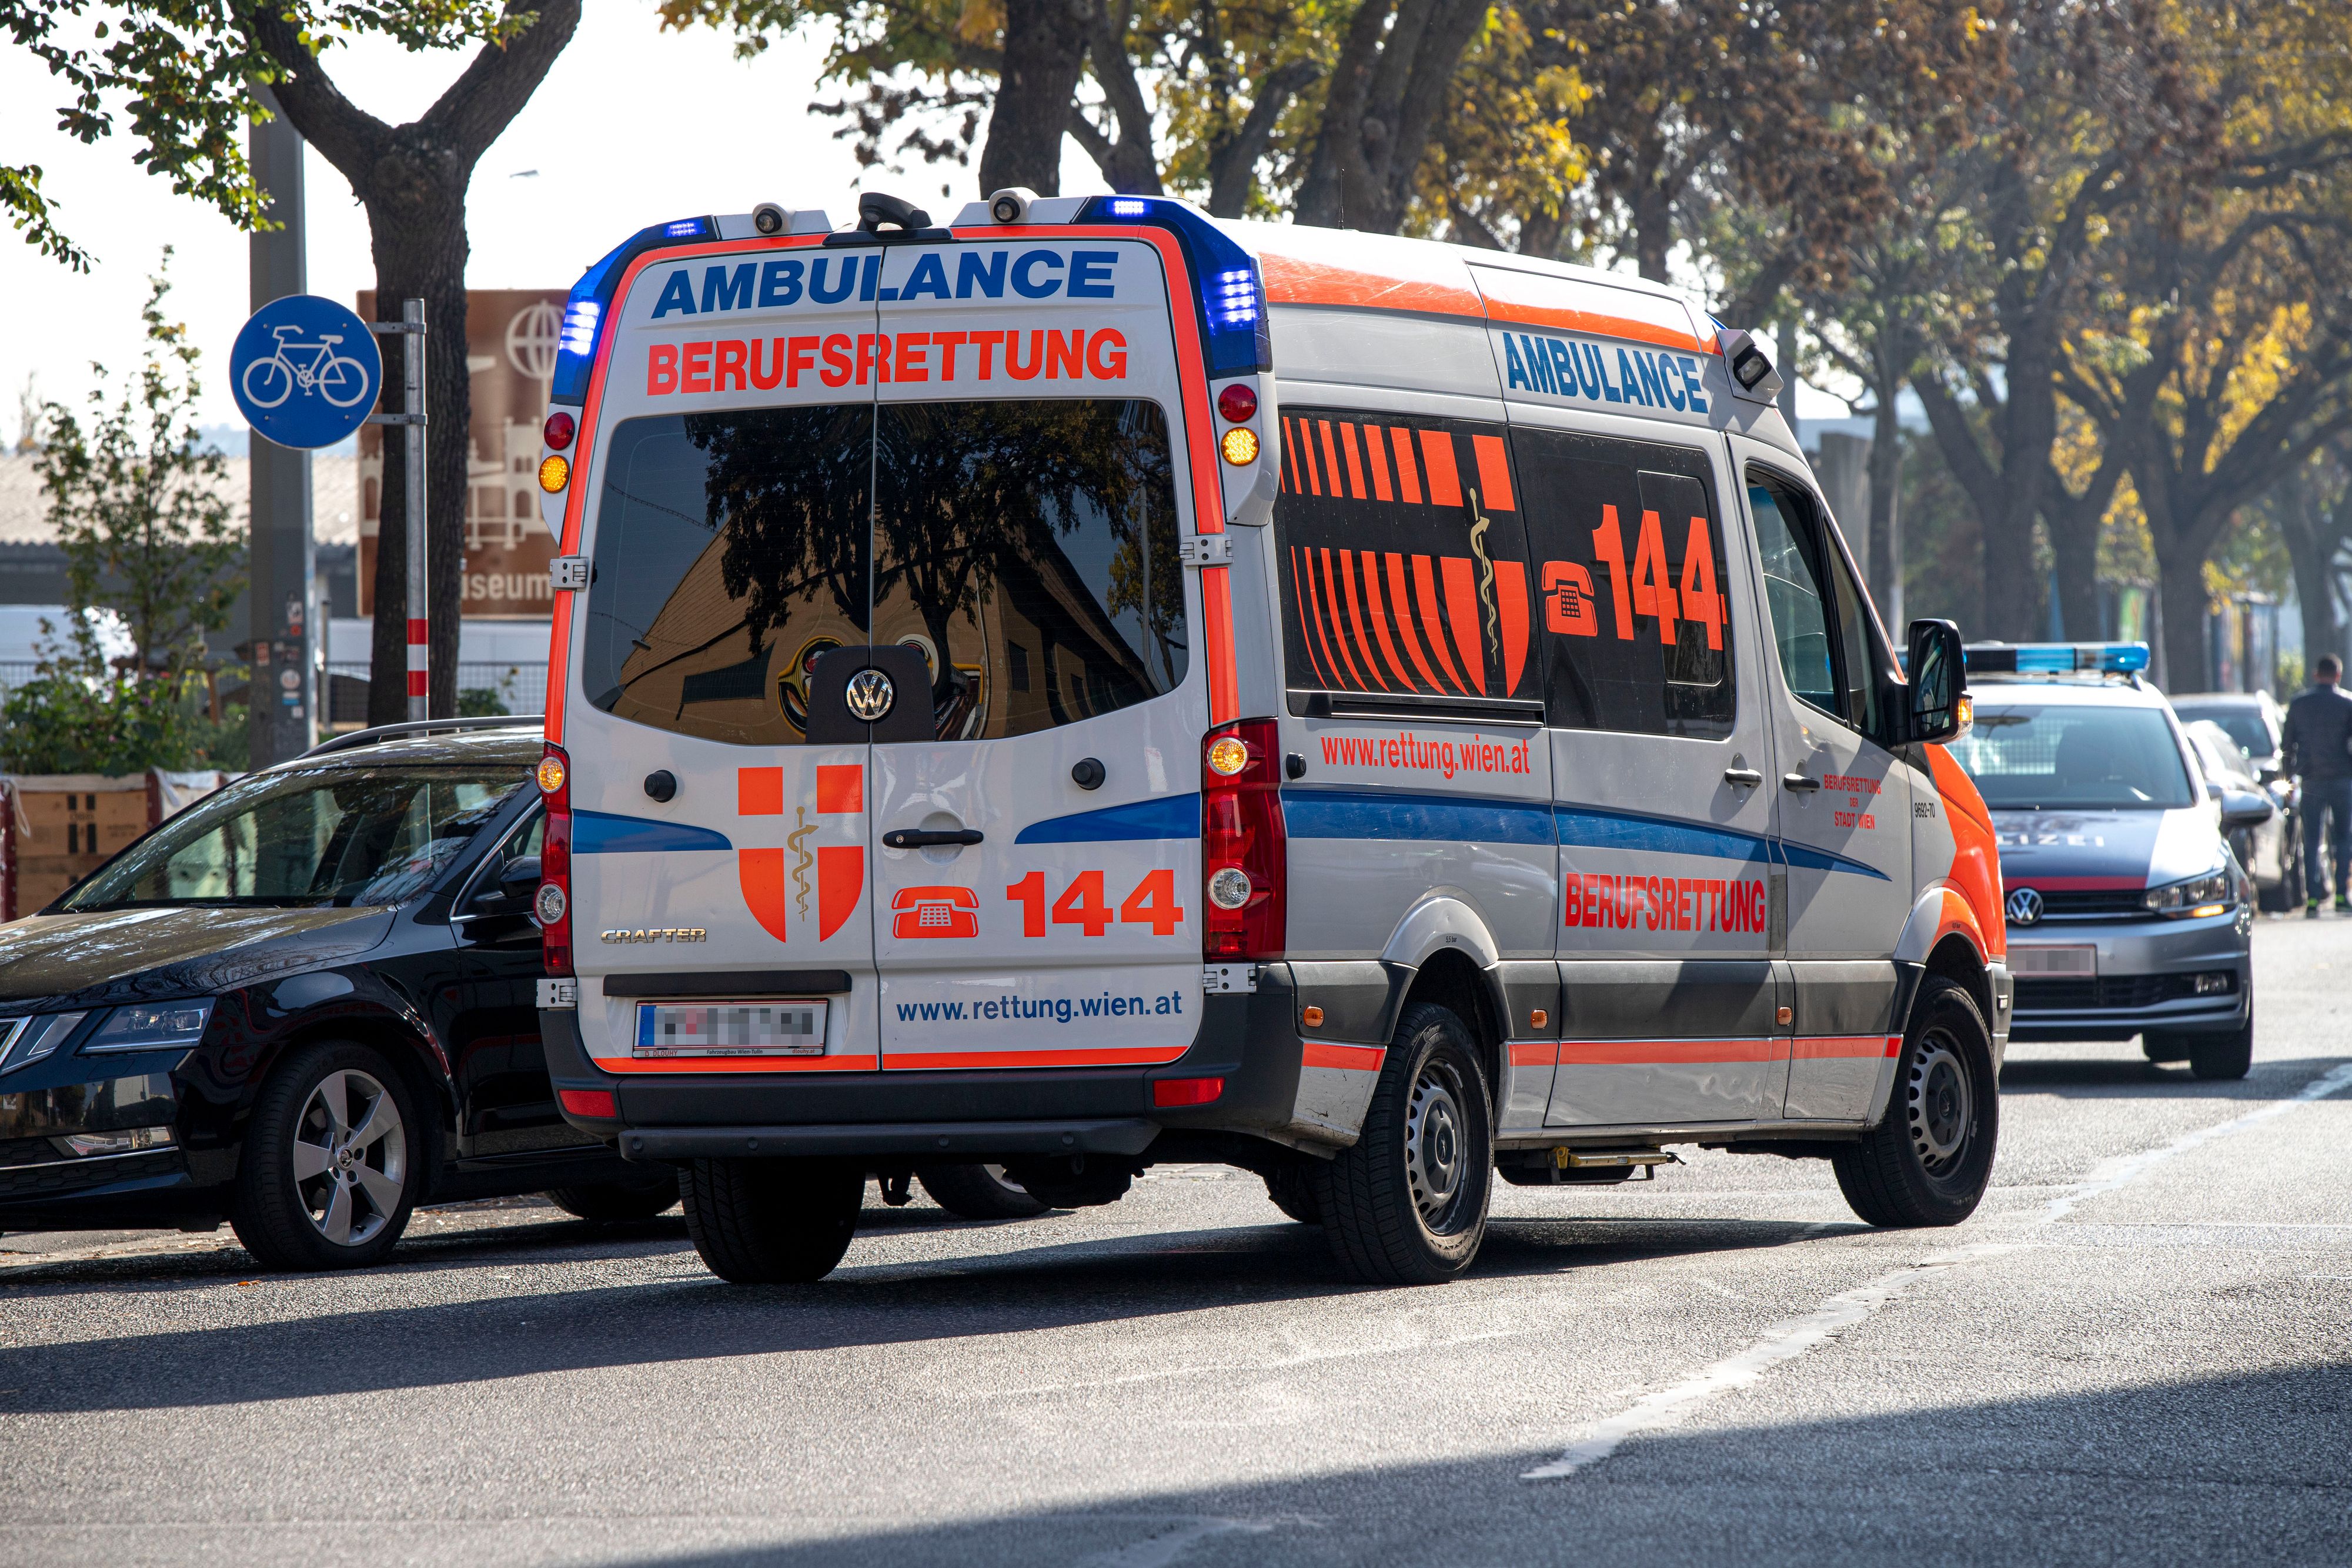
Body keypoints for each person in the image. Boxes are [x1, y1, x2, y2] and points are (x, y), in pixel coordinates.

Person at [2283, 653, 2352, 916]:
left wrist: (2288, 780)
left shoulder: (2299, 704)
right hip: (2343, 779)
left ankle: (2312, 900)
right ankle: (2342, 896)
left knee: (2311, 840)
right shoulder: (2347, 704)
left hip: (2311, 780)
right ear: (2338, 675)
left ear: (2315, 675)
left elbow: (2287, 745)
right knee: (2343, 839)